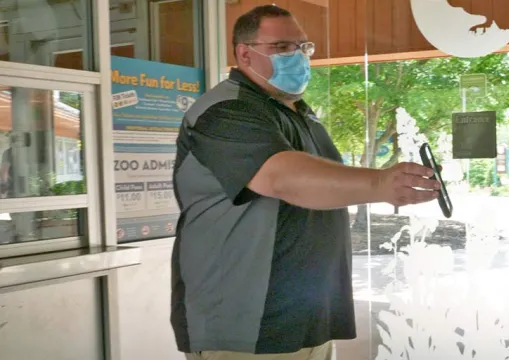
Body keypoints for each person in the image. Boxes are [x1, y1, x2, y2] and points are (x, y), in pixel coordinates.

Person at [170, 5, 441, 360]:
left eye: (303, 47)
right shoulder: (226, 111)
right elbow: (282, 177)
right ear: (244, 53)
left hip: (305, 319)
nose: (297, 57)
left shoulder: (298, 113)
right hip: (247, 327)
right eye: (282, 48)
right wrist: (379, 184)